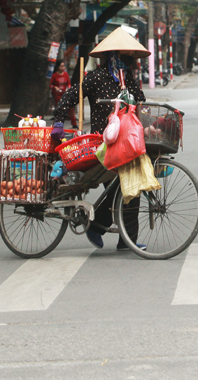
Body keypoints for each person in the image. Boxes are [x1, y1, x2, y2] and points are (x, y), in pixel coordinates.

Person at [52, 27, 148, 251]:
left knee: (132, 189)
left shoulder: (128, 79)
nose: (129, 60)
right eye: (125, 56)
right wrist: (58, 120)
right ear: (114, 56)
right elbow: (69, 96)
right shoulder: (95, 77)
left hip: (129, 142)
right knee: (121, 189)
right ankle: (99, 227)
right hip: (104, 145)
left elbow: (142, 101)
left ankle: (126, 240)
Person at [49, 61, 77, 128]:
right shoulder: (54, 75)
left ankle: (74, 124)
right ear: (58, 67)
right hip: (57, 95)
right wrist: (54, 87)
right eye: (61, 66)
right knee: (60, 110)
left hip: (65, 94)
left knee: (71, 108)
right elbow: (50, 85)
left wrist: (69, 88)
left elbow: (68, 83)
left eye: (63, 66)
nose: (63, 67)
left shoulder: (65, 74)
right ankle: (58, 124)